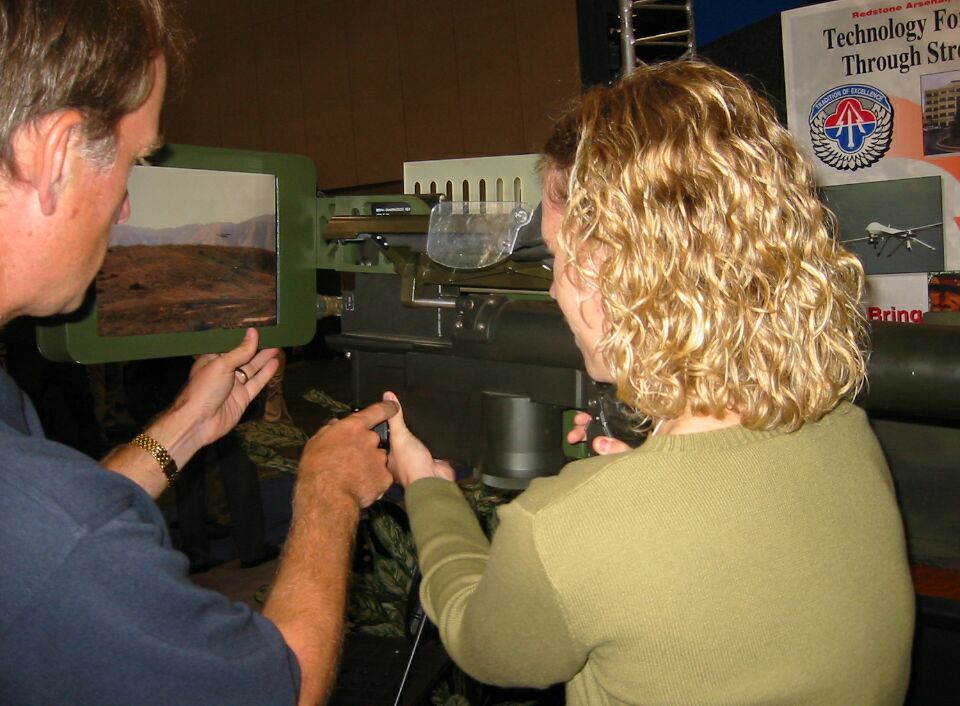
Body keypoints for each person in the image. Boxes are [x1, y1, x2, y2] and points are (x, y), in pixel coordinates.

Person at [384, 61, 915, 704]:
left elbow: (485, 648)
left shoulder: (562, 529)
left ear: (612, 284)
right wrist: (641, 479)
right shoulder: (845, 433)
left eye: (559, 259)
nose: (554, 289)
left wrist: (429, 492)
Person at [0, 2, 394, 704]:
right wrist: (329, 492)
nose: (125, 207)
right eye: (135, 161)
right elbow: (285, 687)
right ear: (56, 155)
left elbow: (42, 545)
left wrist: (187, 425)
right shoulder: (53, 524)